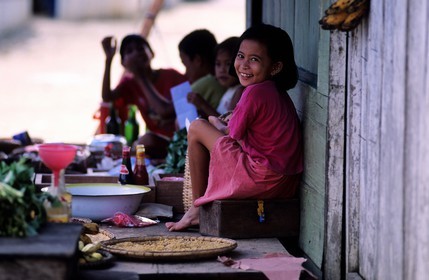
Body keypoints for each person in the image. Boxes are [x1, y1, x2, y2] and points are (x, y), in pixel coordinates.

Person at [166, 24, 304, 231]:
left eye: (254, 60)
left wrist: (213, 121)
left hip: (261, 178)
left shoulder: (255, 92)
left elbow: (230, 134)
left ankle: (196, 208)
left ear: (275, 67)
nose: (244, 65)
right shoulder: (276, 91)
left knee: (196, 127)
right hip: (283, 183)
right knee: (203, 126)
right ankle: (198, 208)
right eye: (240, 56)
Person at [101, 34, 187, 159]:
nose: (136, 54)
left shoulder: (172, 76)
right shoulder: (130, 84)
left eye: (140, 49)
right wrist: (108, 60)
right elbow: (107, 97)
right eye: (129, 51)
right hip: (156, 145)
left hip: (181, 144)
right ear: (123, 63)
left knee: (145, 141)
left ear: (152, 53)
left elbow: (164, 112)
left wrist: (139, 76)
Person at [187, 36, 244, 117]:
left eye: (228, 64)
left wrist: (203, 105)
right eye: (218, 64)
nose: (222, 70)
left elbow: (228, 125)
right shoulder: (229, 90)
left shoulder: (239, 91)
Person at [178, 29, 225, 118]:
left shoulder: (209, 81)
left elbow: (168, 110)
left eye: (186, 65)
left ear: (198, 60)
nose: (185, 73)